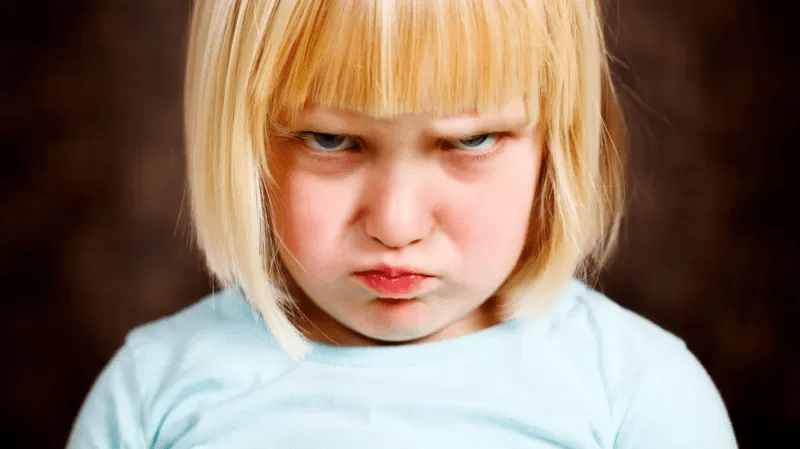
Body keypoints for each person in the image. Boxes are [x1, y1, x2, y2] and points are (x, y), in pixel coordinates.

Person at [67, 0, 738, 447]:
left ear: (557, 140)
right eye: (330, 140)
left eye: (470, 141)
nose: (396, 224)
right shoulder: (151, 396)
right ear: (241, 139)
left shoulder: (640, 396)